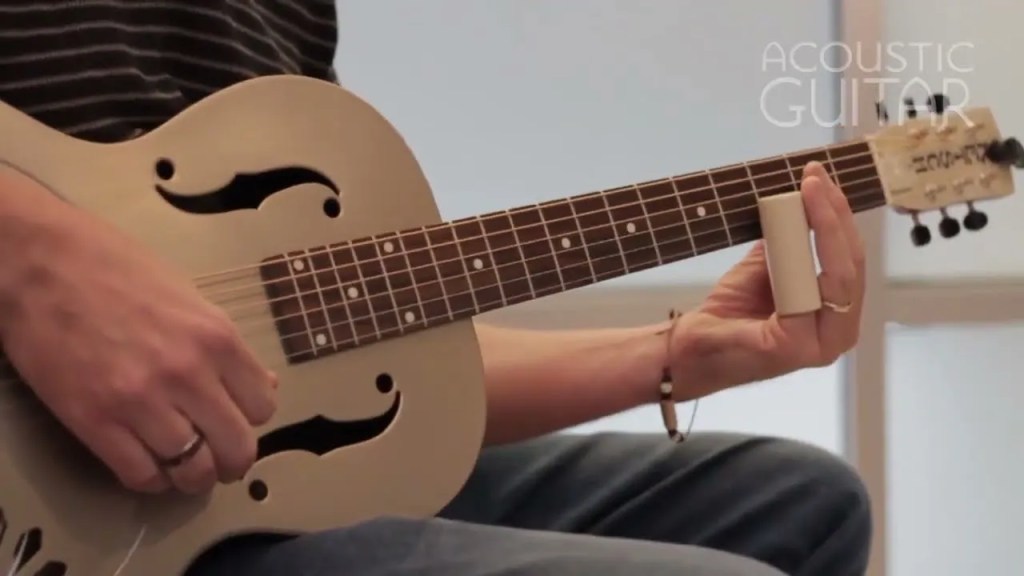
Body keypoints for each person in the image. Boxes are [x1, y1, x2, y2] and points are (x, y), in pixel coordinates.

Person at [0, 2, 871, 575]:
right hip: (87, 527)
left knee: (800, 504)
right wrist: (28, 254)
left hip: (245, 483)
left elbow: (341, 357)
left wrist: (674, 356)